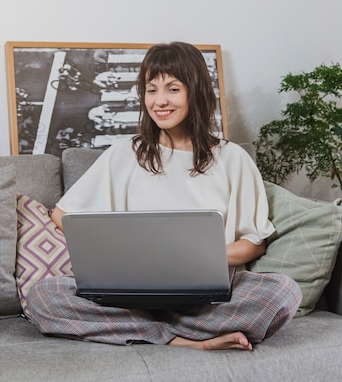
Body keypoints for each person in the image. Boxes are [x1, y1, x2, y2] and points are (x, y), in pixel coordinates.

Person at [27, 41, 302, 351]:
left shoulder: (232, 158)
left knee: (284, 293)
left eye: (172, 89)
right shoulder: (124, 154)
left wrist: (198, 258)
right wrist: (116, 249)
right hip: (130, 296)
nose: (159, 101)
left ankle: (152, 331)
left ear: (195, 91)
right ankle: (182, 339)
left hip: (205, 299)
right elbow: (63, 216)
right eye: (151, 89)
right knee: (43, 297)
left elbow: (254, 243)